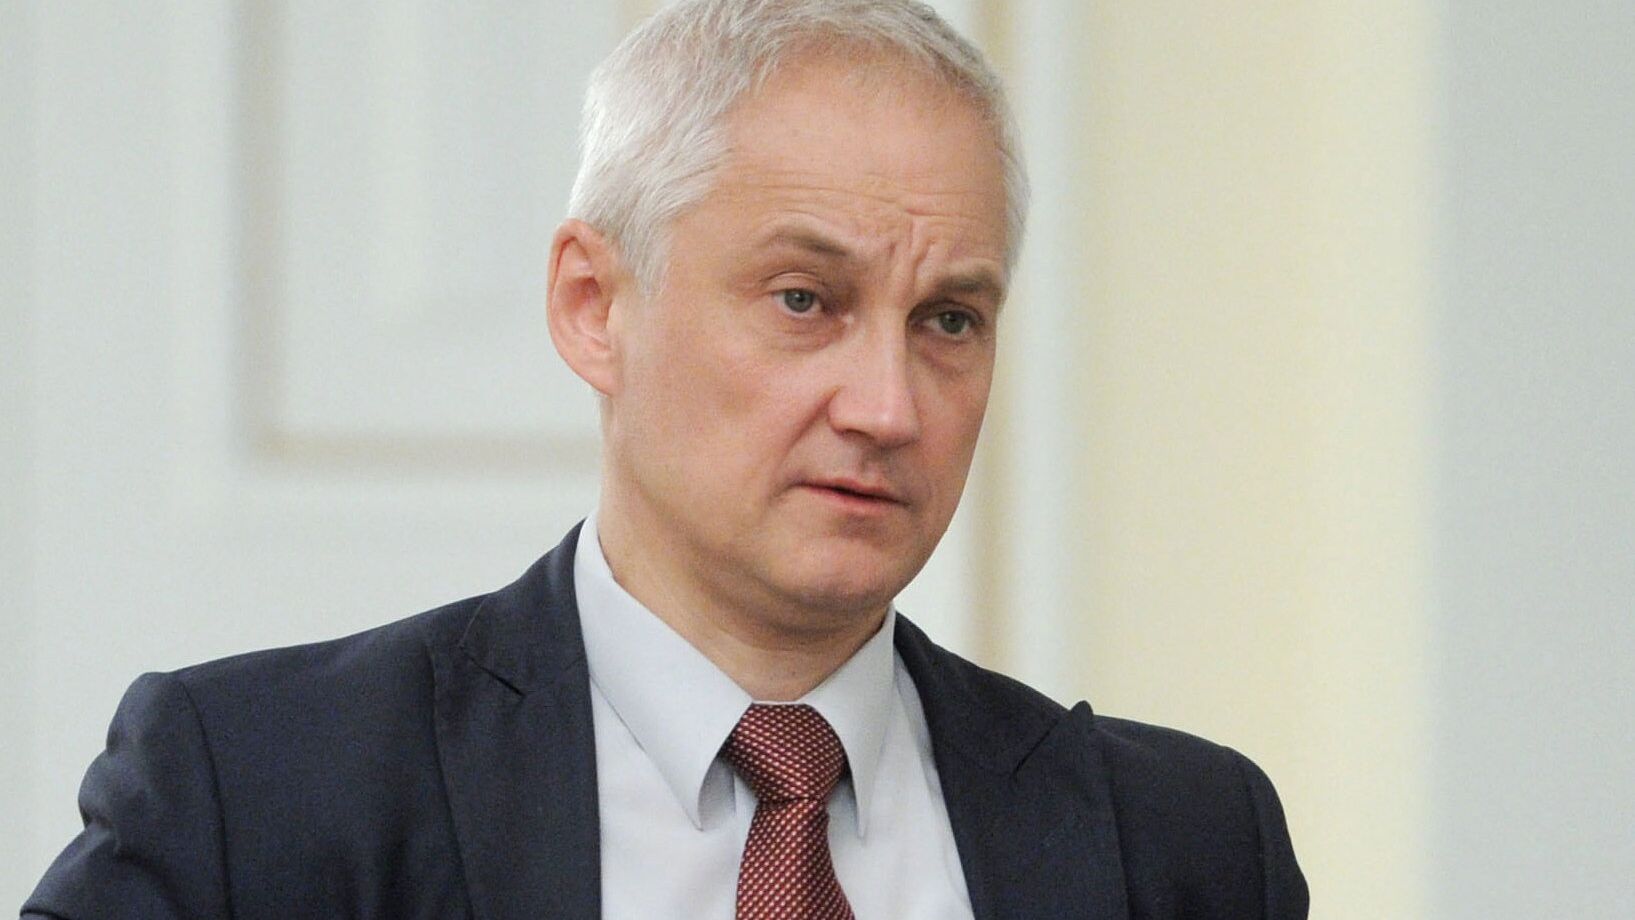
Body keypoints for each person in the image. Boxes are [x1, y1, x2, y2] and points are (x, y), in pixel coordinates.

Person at [23, 1, 1308, 918]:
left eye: (949, 320)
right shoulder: (255, 794)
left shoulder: (1185, 846)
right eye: (804, 299)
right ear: (593, 304)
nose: (887, 405)